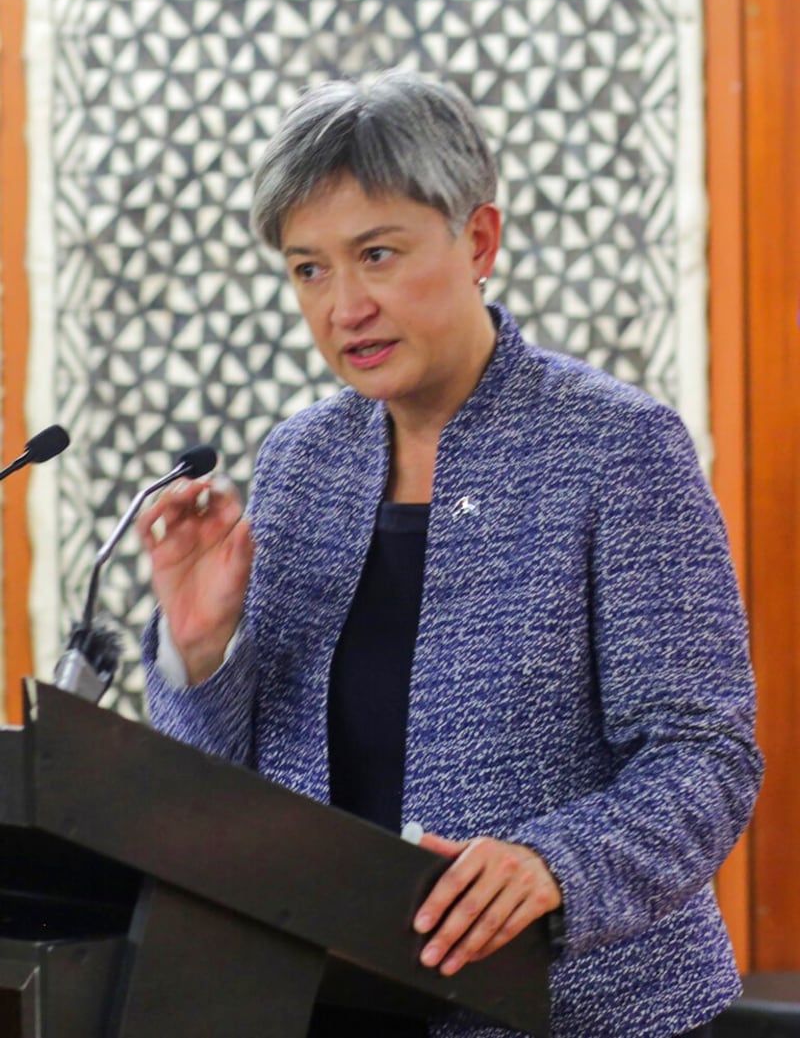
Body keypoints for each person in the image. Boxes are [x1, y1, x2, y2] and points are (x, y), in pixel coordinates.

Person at [139, 71, 762, 1038]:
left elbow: (706, 756)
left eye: (375, 254)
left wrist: (554, 865)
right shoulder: (302, 460)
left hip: (578, 1011)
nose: (343, 306)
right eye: (309, 269)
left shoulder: (617, 447)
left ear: (478, 241)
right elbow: (223, 791)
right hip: (324, 1001)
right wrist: (201, 648)